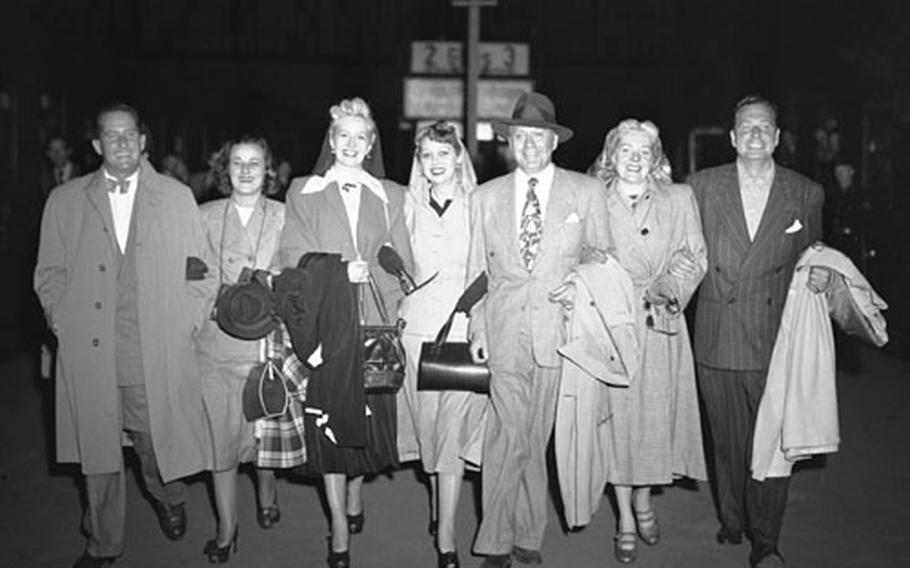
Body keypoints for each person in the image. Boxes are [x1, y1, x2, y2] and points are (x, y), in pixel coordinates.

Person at [34, 103, 214, 568]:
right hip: (88, 348)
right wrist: (61, 320)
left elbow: (202, 272)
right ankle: (103, 542)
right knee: (98, 453)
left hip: (148, 346)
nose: (121, 143)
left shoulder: (174, 197)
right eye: (110, 136)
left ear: (143, 141)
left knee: (153, 440)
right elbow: (49, 272)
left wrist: (186, 324)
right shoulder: (66, 200)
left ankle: (167, 495)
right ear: (96, 146)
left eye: (129, 134)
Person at [467, 92, 611, 568]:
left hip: (560, 331)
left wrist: (580, 286)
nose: (530, 146)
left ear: (554, 141)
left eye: (539, 137)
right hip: (505, 328)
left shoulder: (585, 192)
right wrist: (477, 328)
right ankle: (494, 542)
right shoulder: (485, 197)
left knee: (535, 437)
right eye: (520, 137)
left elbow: (602, 256)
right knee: (506, 434)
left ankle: (528, 535)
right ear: (509, 142)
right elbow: (476, 272)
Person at [686, 95, 828, 568]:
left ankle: (765, 540)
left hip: (773, 339)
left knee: (770, 446)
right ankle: (732, 518)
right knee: (727, 442)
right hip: (716, 334)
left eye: (763, 127)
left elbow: (813, 260)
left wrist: (824, 277)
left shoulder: (805, 193)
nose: (754, 134)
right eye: (745, 127)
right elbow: (683, 254)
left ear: (777, 136)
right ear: (731, 137)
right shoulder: (700, 187)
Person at [278, 97, 413, 568]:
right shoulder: (304, 191)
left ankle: (356, 491)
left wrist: (385, 283)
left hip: (373, 327)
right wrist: (337, 272)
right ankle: (337, 522)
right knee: (331, 426)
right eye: (344, 136)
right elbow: (291, 262)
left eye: (362, 137)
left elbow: (404, 262)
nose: (352, 144)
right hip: (328, 326)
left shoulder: (391, 194)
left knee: (369, 421)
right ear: (331, 141)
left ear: (372, 142)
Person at [588, 119, 708, 563]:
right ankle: (623, 515)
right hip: (610, 328)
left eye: (644, 152)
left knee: (654, 422)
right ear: (610, 156)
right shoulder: (592, 199)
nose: (634, 160)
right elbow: (578, 258)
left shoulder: (679, 199)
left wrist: (670, 289)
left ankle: (643, 499)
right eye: (626, 151)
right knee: (616, 425)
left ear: (656, 158)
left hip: (659, 323)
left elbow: (694, 257)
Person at [398, 121, 487, 568]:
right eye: (426, 154)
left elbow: (490, 268)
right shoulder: (406, 205)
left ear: (458, 157)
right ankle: (439, 509)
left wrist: (480, 321)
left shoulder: (478, 204)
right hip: (415, 331)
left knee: (451, 433)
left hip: (459, 329)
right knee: (427, 429)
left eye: (442, 153)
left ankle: (446, 539)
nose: (435, 163)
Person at [196, 136, 286, 562]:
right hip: (217, 346)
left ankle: (266, 491)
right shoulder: (205, 217)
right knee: (221, 441)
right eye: (237, 162)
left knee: (264, 433)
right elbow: (193, 277)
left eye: (255, 163)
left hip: (268, 347)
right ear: (224, 169)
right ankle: (227, 528)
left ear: (268, 169)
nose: (246, 170)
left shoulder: (287, 217)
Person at [39, 136, 79, 201]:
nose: (57, 153)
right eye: (52, 150)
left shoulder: (82, 173)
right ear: (48, 154)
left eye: (61, 149)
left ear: (69, 151)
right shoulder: (45, 179)